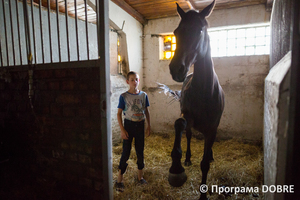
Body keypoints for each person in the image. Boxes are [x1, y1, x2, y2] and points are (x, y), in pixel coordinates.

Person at [115, 71, 151, 192]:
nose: (134, 82)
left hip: (140, 125)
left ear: (138, 81)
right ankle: (120, 179)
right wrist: (122, 129)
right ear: (127, 82)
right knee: (126, 151)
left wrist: (148, 125)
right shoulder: (124, 96)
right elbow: (119, 113)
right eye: (131, 79)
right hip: (129, 125)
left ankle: (140, 177)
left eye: (136, 79)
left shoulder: (143, 95)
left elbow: (146, 111)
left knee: (140, 150)